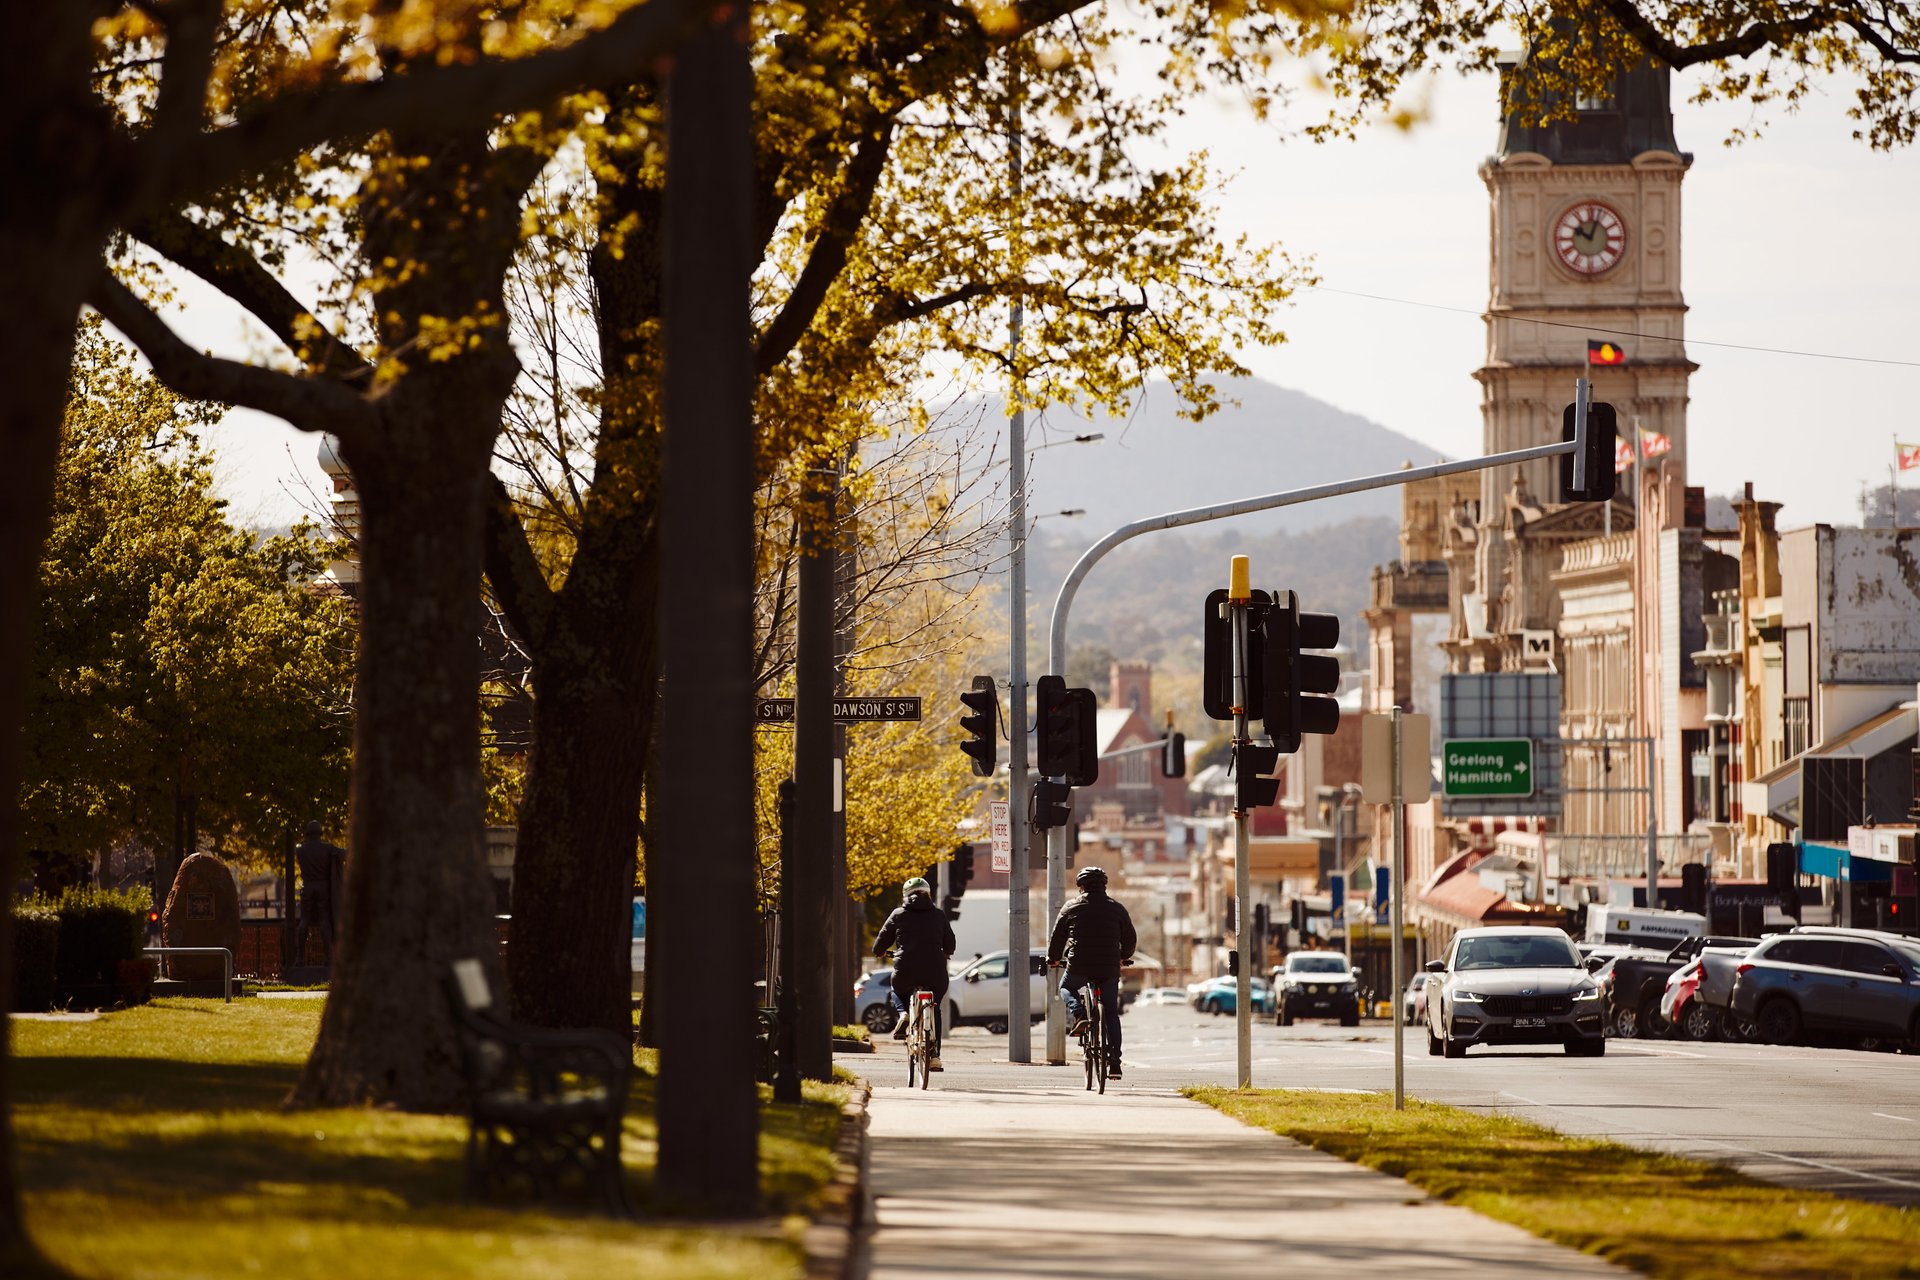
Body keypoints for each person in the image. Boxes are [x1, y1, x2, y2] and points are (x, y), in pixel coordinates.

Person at [1047, 865, 1136, 1079]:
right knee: (1111, 1013)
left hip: (1080, 964)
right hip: (1109, 966)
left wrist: (1054, 958)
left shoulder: (1071, 906)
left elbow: (1058, 937)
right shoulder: (1117, 908)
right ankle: (1115, 1062)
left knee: (1066, 987)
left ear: (1081, 886)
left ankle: (1078, 1012)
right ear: (1104, 886)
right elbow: (1130, 938)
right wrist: (1124, 955)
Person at [873, 876, 956, 1070]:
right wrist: (946, 952)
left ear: (905, 895)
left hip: (906, 969)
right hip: (935, 971)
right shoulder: (938, 915)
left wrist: (880, 952)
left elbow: (880, 942)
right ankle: (934, 1056)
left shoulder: (898, 914)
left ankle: (903, 1014)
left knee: (897, 990)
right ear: (928, 894)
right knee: (935, 1006)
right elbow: (950, 943)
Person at [294, 820, 346, 968]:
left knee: (304, 921)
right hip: (323, 887)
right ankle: (328, 958)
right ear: (320, 833)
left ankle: (299, 957)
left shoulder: (301, 850)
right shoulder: (328, 849)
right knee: (324, 921)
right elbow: (344, 854)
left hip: (308, 887)